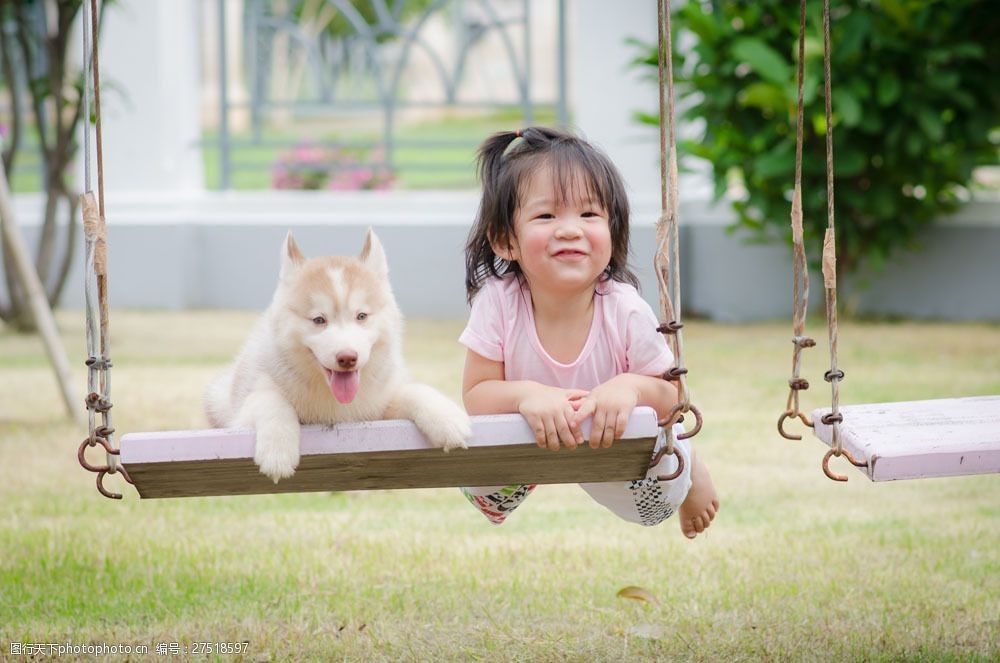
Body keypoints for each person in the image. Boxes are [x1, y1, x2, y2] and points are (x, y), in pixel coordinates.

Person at [459, 126, 719, 538]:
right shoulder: (498, 302)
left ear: (612, 233)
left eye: (589, 214)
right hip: (528, 437)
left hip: (609, 443)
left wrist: (630, 387)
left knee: (654, 505)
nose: (570, 229)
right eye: (546, 215)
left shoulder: (625, 307)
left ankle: (689, 467)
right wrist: (529, 396)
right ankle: (537, 465)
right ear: (506, 240)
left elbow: (673, 396)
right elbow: (476, 396)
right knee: (481, 490)